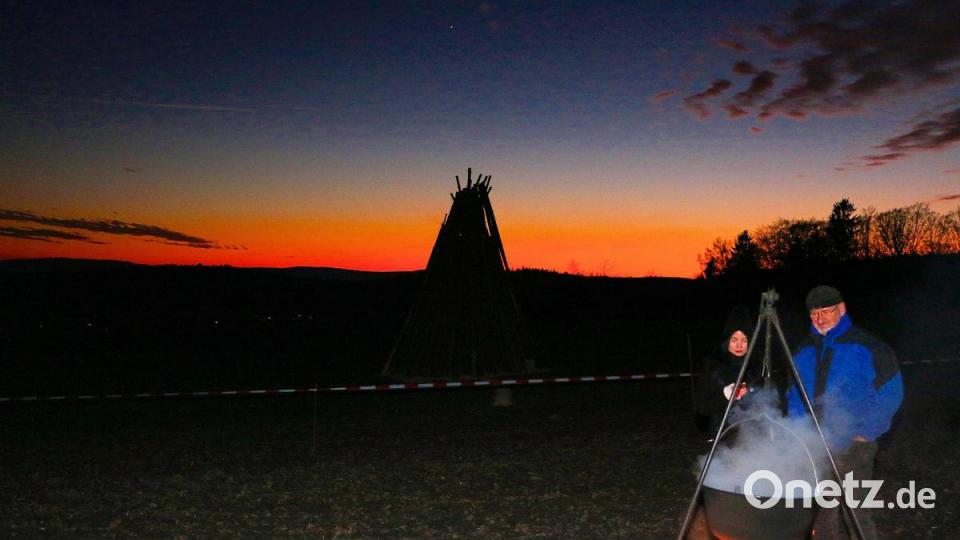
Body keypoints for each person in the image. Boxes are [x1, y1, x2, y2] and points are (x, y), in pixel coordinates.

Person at [785, 285, 903, 540]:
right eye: (814, 313)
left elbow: (891, 392)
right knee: (821, 515)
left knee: (856, 512)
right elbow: (794, 394)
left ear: (842, 309)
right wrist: (799, 432)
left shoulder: (868, 347)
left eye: (826, 311)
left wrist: (867, 431)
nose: (820, 318)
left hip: (855, 445)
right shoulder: (802, 351)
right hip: (816, 444)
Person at [696, 305, 761, 436]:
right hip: (722, 432)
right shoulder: (713, 365)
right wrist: (726, 394)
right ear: (727, 341)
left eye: (744, 340)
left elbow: (765, 396)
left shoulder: (756, 364)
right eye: (734, 340)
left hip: (752, 432)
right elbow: (704, 406)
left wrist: (750, 390)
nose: (739, 346)